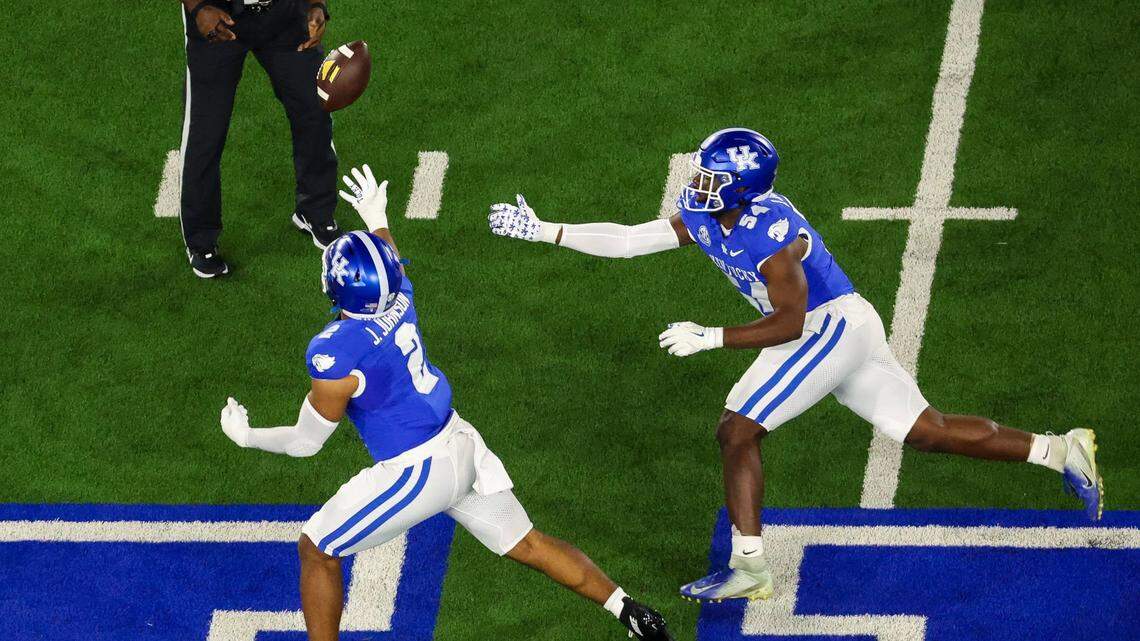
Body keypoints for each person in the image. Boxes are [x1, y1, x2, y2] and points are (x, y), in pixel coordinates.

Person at [486, 127, 1104, 602]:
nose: (696, 184)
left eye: (709, 177)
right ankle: (1057, 450)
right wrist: (547, 231)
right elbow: (632, 238)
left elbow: (789, 322)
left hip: (826, 327)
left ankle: (750, 566)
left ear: (741, 189)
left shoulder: (767, 232)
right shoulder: (712, 215)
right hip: (842, 326)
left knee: (738, 427)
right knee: (926, 430)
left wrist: (712, 337)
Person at [218, 164, 675, 640]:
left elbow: (305, 443)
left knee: (317, 548)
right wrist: (378, 216)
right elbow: (389, 257)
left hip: (416, 471)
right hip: (460, 443)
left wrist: (249, 436)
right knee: (529, 543)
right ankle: (632, 612)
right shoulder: (400, 295)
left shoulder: (335, 352)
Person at [179, 0, 342, 278]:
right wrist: (198, 8)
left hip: (285, 14)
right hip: (217, 17)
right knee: (205, 132)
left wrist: (316, 4)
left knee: (314, 109)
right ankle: (201, 240)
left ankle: (315, 212)